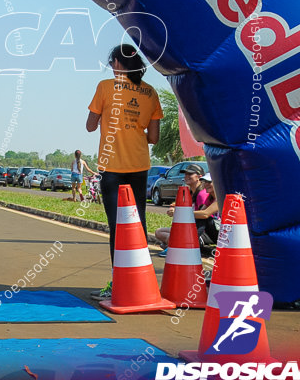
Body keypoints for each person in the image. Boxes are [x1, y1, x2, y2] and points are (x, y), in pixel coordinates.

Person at [86, 44, 163, 300]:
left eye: (112, 63)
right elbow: (153, 137)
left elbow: (89, 126)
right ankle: (140, 284)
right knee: (138, 225)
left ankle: (118, 283)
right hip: (140, 166)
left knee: (117, 228)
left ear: (118, 64)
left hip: (112, 167)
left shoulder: (106, 87)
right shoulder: (150, 92)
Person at [154, 168, 219, 255]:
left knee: (202, 218)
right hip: (209, 230)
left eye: (209, 182)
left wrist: (180, 213)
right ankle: (186, 242)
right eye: (205, 182)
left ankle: (184, 242)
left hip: (219, 232)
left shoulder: (219, 197)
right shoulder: (209, 197)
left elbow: (205, 214)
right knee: (159, 232)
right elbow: (200, 212)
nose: (206, 184)